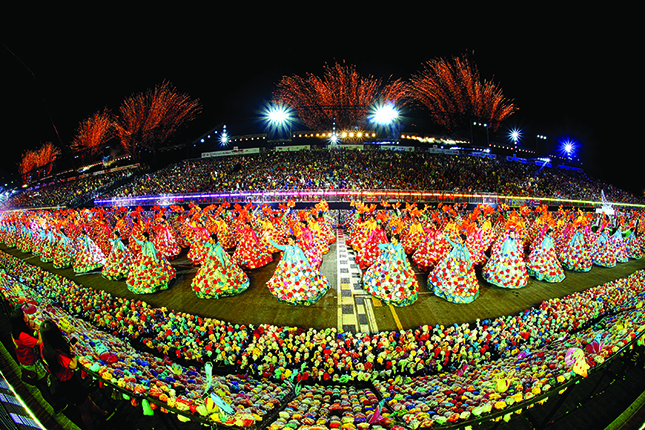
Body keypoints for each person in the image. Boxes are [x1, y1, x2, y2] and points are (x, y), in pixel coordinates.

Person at [39, 319, 114, 429]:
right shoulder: (58, 354)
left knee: (85, 399)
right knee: (83, 409)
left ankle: (102, 412)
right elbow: (73, 365)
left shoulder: (44, 347)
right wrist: (72, 353)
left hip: (64, 381)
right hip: (69, 384)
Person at [9, 306, 62, 413]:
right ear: (21, 320)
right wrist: (38, 330)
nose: (26, 315)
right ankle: (57, 401)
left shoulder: (14, 331)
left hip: (24, 362)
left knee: (41, 386)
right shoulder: (22, 336)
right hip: (32, 363)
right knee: (45, 382)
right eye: (24, 315)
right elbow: (39, 343)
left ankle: (55, 405)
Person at [266, 235, 330, 305]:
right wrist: (270, 241)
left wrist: (309, 266)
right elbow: (278, 246)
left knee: (299, 278)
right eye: (288, 240)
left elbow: (303, 258)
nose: (288, 241)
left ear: (293, 241)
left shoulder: (298, 249)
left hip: (298, 267)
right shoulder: (287, 247)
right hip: (287, 266)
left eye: (290, 240)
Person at [362, 233, 419, 306]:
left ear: (397, 240)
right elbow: (380, 245)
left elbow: (403, 258)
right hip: (388, 264)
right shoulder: (390, 245)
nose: (391, 240)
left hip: (397, 266)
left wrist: (406, 267)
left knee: (398, 279)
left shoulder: (400, 248)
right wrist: (387, 250)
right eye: (391, 239)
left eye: (393, 239)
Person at [192, 234, 250, 299]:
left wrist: (223, 265)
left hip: (217, 263)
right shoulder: (211, 245)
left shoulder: (218, 247)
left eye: (210, 239)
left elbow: (221, 257)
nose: (209, 240)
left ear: (213, 240)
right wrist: (199, 241)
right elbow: (205, 244)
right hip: (210, 262)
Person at [429, 232, 479, 303]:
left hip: (461, 266)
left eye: (460, 239)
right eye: (458, 238)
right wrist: (446, 238)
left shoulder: (465, 249)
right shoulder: (457, 246)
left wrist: (469, 266)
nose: (458, 240)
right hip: (453, 263)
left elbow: (467, 258)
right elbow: (451, 242)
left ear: (463, 240)